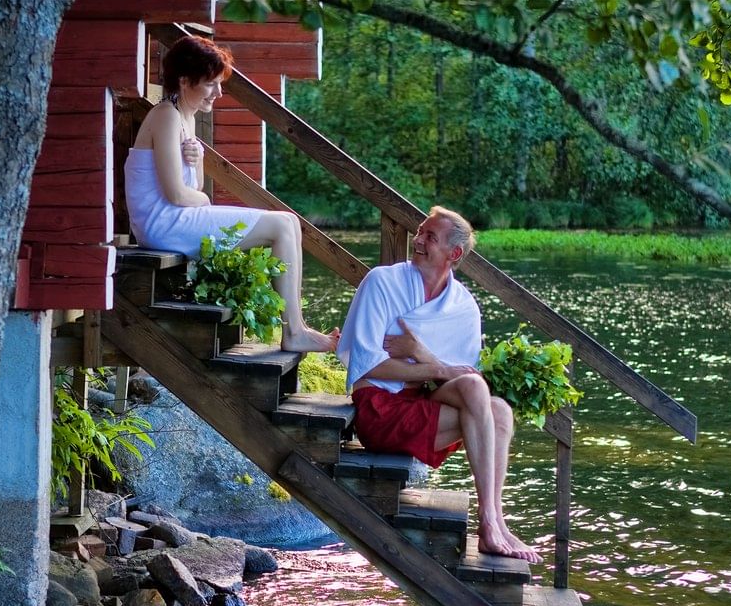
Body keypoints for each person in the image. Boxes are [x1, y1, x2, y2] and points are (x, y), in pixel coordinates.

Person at [337, 206, 541, 563]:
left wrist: (421, 354)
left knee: (500, 410)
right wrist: (439, 369)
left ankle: (495, 520)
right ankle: (491, 525)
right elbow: (370, 367)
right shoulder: (383, 283)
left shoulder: (463, 306)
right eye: (420, 232)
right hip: (379, 407)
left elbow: (463, 374)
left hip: (422, 401)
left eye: (430, 237)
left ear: (454, 253)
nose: (418, 241)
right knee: (475, 390)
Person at [124, 35, 337, 353]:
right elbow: (177, 195)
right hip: (161, 223)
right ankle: (294, 332)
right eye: (211, 83)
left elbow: (189, 189)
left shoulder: (186, 117)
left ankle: (298, 327)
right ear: (185, 80)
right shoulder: (165, 117)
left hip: (175, 217)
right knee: (281, 225)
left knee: (289, 223)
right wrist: (205, 199)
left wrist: (196, 164)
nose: (219, 92)